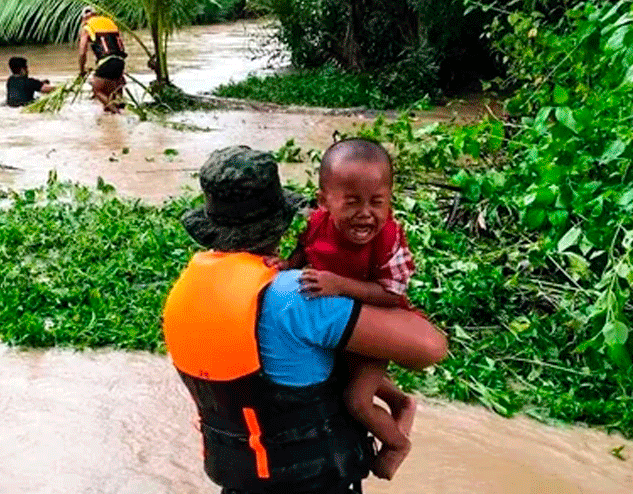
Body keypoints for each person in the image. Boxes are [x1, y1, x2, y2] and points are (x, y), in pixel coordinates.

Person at [162, 146, 447, 493]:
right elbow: (430, 348)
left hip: (238, 478)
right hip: (315, 482)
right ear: (280, 224)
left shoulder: (184, 291)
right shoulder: (295, 296)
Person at [267, 138, 418, 479]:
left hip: (378, 324)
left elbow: (392, 294)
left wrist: (338, 284)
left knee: (357, 402)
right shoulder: (315, 223)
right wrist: (285, 266)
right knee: (343, 378)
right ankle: (402, 401)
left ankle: (396, 443)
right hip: (338, 325)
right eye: (352, 202)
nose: (366, 213)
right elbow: (304, 255)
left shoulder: (389, 238)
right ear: (324, 202)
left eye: (378, 202)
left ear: (390, 201)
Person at [78, 6, 127, 113]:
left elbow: (82, 52)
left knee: (97, 89)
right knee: (114, 98)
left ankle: (119, 115)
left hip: (107, 61)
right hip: (120, 61)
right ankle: (116, 121)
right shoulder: (109, 22)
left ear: (83, 19)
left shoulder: (87, 27)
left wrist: (82, 70)